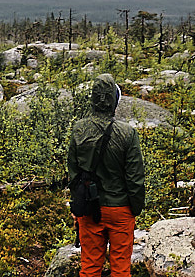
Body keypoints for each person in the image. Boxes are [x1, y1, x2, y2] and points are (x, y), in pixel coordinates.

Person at [67, 75, 145, 276]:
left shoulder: (78, 130)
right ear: (114, 101)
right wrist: (134, 209)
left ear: (92, 100)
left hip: (90, 208)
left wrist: (77, 206)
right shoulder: (128, 133)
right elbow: (135, 178)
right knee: (120, 269)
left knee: (90, 267)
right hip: (120, 209)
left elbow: (73, 174)